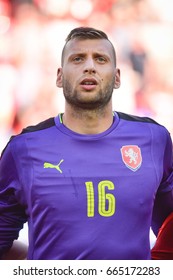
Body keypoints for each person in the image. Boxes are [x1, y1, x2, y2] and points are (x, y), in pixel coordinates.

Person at [0, 26, 173, 260]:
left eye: (100, 59)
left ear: (117, 77)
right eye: (78, 58)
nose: (89, 66)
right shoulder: (24, 149)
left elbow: (168, 229)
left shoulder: (154, 139)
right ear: (60, 77)